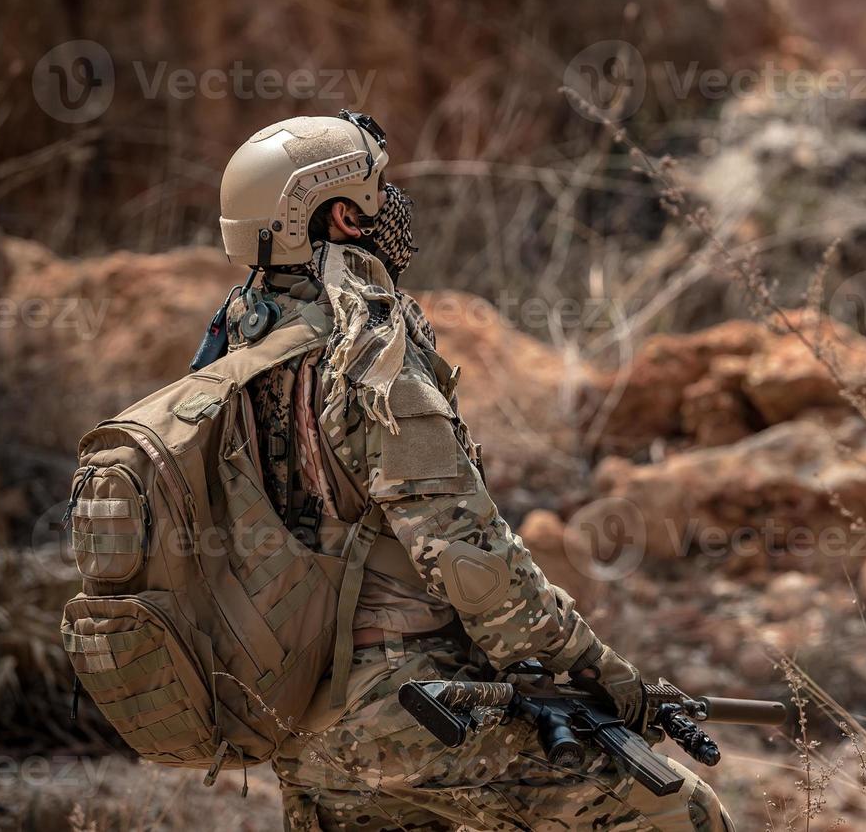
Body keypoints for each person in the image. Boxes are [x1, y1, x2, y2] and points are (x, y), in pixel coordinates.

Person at [215, 112, 733, 831]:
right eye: (379, 190)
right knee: (678, 814)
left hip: (296, 723)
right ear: (339, 214)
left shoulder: (235, 361)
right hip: (410, 715)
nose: (394, 207)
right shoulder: (372, 364)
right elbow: (471, 562)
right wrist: (606, 674)